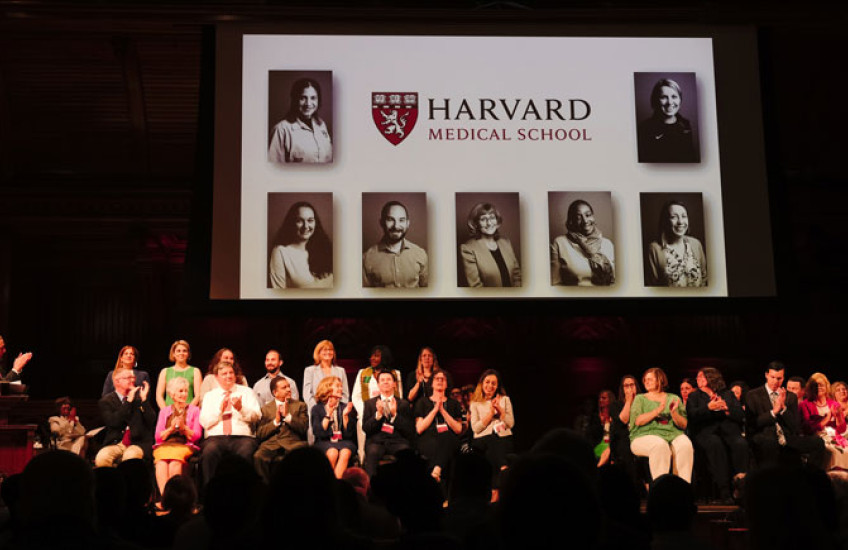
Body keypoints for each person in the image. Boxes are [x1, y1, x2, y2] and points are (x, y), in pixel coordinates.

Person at [745, 361, 825, 467]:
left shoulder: (790, 396)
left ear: (783, 378)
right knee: (770, 443)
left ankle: (809, 477)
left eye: (779, 378)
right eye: (772, 377)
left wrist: (783, 409)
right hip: (764, 435)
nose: (775, 382)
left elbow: (795, 426)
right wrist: (773, 412)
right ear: (766, 375)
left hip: (787, 437)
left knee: (817, 442)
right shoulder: (753, 395)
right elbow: (752, 423)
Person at [686, 367, 748, 503]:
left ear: (711, 378)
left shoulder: (727, 394)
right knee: (716, 445)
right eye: (698, 376)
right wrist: (709, 407)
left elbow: (741, 415)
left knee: (740, 444)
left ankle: (741, 487)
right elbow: (692, 415)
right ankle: (724, 491)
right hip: (706, 432)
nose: (698, 379)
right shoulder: (694, 396)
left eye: (701, 376)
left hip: (728, 431)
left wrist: (726, 409)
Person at [198, 361, 261, 484]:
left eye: (231, 373)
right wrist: (219, 411)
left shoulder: (247, 392)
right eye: (224, 373)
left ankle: (245, 495)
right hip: (216, 438)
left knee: (246, 452)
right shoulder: (210, 396)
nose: (228, 376)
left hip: (242, 438)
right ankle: (209, 496)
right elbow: (205, 422)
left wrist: (241, 408)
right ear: (217, 377)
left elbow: (257, 416)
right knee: (209, 452)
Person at [629, 367, 693, 483]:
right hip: (643, 436)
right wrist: (657, 411)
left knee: (685, 445)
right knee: (660, 445)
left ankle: (683, 488)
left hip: (672, 434)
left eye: (650, 379)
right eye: (645, 380)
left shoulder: (673, 398)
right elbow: (638, 421)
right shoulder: (640, 399)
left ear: (660, 380)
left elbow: (683, 425)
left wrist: (674, 413)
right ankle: (661, 488)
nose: (646, 382)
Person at [95, 369, 156, 467]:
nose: (132, 380)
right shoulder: (106, 401)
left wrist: (144, 400)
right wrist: (128, 402)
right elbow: (114, 422)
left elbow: (151, 420)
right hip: (115, 443)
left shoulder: (139, 398)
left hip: (137, 443)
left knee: (130, 457)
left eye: (133, 377)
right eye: (128, 377)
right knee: (102, 457)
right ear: (117, 381)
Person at [352, 345, 403, 463]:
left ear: (384, 357)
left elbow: (399, 396)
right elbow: (356, 396)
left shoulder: (395, 374)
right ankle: (362, 459)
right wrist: (365, 412)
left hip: (390, 411)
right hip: (368, 411)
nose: (372, 358)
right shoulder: (363, 373)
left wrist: (387, 411)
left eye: (376, 356)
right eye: (371, 356)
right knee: (362, 422)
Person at [253, 375, 308, 482]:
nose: (288, 389)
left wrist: (288, 417)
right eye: (284, 388)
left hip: (293, 443)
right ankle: (265, 490)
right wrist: (276, 421)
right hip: (271, 444)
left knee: (303, 455)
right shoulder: (265, 409)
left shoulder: (300, 405)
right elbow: (260, 433)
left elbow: (303, 428)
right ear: (275, 393)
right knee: (258, 457)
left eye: (288, 386)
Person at [362, 369, 415, 477]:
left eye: (389, 380)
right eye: (382, 380)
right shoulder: (370, 404)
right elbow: (366, 428)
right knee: (372, 452)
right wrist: (378, 415)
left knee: (406, 453)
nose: (386, 382)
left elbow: (410, 430)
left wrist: (395, 415)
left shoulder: (403, 404)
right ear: (378, 384)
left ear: (394, 384)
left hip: (397, 441)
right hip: (376, 442)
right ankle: (371, 489)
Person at [153, 376, 202, 496]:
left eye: (186, 391)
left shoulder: (195, 410)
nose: (184, 394)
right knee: (161, 463)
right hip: (165, 445)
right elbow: (158, 437)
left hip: (184, 445)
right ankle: (166, 499)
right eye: (180, 391)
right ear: (172, 394)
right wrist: (170, 429)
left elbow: (197, 435)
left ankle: (176, 500)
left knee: (175, 461)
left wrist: (184, 428)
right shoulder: (164, 411)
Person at [362, 200, 428, 288]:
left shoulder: (421, 254)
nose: (396, 226)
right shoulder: (366, 259)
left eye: (401, 220)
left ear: (407, 223)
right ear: (381, 223)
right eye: (390, 219)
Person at [269, 201, 333, 289]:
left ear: (316, 223)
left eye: (310, 220)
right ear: (291, 223)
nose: (306, 226)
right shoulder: (280, 251)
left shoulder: (325, 248)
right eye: (299, 221)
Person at [550, 199, 614, 286]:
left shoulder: (607, 244)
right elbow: (555, 283)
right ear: (571, 221)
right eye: (578, 217)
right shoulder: (560, 243)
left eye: (588, 215)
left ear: (593, 216)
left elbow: (614, 282)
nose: (585, 221)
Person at [268, 77, 332, 164]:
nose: (308, 103)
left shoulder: (321, 125)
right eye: (303, 98)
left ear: (318, 100)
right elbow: (274, 169)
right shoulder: (281, 129)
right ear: (295, 100)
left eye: (313, 98)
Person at [414, 370, 463, 482]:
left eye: (443, 379)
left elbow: (458, 429)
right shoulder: (422, 402)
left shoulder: (453, 403)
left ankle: (436, 470)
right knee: (440, 447)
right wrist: (435, 410)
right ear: (431, 383)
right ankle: (437, 471)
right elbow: (419, 428)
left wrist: (443, 411)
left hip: (449, 439)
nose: (440, 381)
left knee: (447, 437)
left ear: (447, 384)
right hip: (428, 438)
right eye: (437, 378)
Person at [646, 200, 707, 287]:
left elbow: (704, 278)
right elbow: (652, 287)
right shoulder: (654, 249)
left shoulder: (696, 244)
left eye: (684, 216)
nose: (680, 222)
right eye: (674, 217)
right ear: (665, 221)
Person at [637, 77, 698, 163]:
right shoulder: (644, 129)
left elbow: (691, 159)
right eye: (664, 97)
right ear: (655, 101)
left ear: (680, 100)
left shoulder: (686, 125)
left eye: (674, 96)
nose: (670, 102)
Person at [460, 202, 521, 287]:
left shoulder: (506, 242)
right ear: (476, 224)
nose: (489, 223)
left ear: (497, 220)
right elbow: (476, 287)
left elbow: (517, 276)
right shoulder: (468, 249)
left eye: (492, 217)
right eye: (483, 219)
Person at [470, 369, 515, 478]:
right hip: (482, 438)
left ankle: (495, 489)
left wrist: (500, 410)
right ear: (482, 384)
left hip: (502, 438)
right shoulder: (475, 403)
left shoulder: (505, 399)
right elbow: (476, 428)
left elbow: (510, 424)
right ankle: (504, 467)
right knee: (492, 439)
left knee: (492, 452)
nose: (490, 385)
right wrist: (490, 414)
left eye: (493, 383)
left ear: (497, 386)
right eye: (487, 382)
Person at [303, 340, 349, 443]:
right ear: (318, 353)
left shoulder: (340, 370)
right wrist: (318, 409)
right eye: (324, 350)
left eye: (330, 350)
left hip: (337, 412)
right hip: (317, 411)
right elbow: (307, 393)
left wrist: (340, 409)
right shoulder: (310, 370)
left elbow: (345, 393)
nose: (328, 352)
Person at [799, 372, 848, 469]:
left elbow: (842, 429)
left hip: (835, 438)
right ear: (810, 388)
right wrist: (827, 418)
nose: (819, 387)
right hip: (816, 439)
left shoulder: (833, 404)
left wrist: (838, 416)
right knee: (833, 452)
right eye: (815, 385)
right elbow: (807, 429)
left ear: (826, 387)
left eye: (821, 385)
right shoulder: (804, 405)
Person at [311, 375, 357, 478]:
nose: (341, 389)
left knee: (345, 452)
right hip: (324, 441)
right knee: (332, 452)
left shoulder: (345, 407)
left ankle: (336, 485)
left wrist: (345, 416)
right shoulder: (317, 408)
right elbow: (318, 432)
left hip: (344, 441)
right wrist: (328, 414)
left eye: (341, 386)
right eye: (337, 386)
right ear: (327, 388)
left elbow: (349, 434)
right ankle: (329, 484)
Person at [155, 340, 201, 408]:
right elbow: (159, 396)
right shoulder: (165, 371)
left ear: (188, 353)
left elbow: (198, 395)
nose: (181, 353)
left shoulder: (195, 371)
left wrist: (187, 411)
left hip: (188, 412)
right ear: (173, 353)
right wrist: (166, 412)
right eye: (178, 351)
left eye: (184, 351)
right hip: (169, 413)